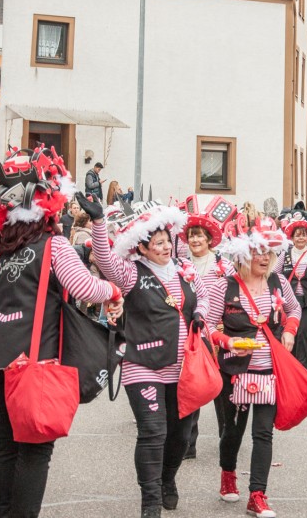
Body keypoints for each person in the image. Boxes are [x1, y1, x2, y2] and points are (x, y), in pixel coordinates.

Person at [0, 146, 123, 518]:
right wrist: (113, 291)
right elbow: (87, 288)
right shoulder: (55, 246)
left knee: (5, 444)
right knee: (35, 450)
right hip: (35, 360)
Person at [81, 194, 209, 518]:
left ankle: (168, 479)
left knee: (181, 435)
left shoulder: (186, 271)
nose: (165, 248)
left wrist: (201, 316)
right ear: (141, 247)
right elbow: (105, 260)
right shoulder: (131, 272)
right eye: (158, 243)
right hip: (143, 365)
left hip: (183, 369)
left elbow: (203, 297)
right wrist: (98, 223)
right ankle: (150, 500)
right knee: (153, 432)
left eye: (168, 241)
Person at [207, 219, 302, 518]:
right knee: (233, 432)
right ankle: (228, 475)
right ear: (242, 256)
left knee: (263, 434)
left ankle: (257, 495)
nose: (263, 258)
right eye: (258, 252)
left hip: (269, 371)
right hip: (234, 371)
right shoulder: (224, 286)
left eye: (268, 253)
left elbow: (294, 309)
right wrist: (228, 342)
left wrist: (289, 330)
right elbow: (208, 326)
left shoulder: (279, 282)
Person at [176, 195, 237, 460]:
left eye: (200, 235)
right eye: (191, 236)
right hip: (191, 335)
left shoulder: (225, 267)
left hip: (219, 335)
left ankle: (227, 438)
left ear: (210, 238)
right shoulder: (180, 267)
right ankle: (188, 443)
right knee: (192, 385)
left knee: (223, 391)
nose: (195, 240)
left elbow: (236, 299)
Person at [273, 219, 307, 370]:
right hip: (289, 303)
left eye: (303, 235)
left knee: (304, 333)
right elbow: (273, 275)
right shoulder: (284, 256)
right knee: (290, 334)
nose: (300, 238)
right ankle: (290, 369)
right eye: (297, 235)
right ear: (292, 237)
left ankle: (304, 370)